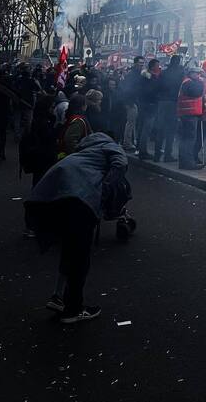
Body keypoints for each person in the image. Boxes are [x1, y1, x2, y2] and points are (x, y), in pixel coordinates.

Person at [24, 132, 128, 324]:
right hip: (80, 198)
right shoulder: (110, 146)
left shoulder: (83, 151)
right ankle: (73, 309)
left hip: (50, 197)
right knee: (79, 255)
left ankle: (60, 297)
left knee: (69, 248)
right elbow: (121, 164)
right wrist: (104, 191)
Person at [19, 94, 59, 187]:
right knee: (42, 179)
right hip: (43, 156)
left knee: (39, 178)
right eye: (52, 106)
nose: (53, 108)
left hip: (39, 156)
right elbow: (48, 137)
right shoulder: (43, 122)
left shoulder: (38, 119)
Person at [176, 63, 206, 170]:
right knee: (189, 139)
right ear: (191, 73)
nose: (199, 76)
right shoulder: (189, 83)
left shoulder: (187, 82)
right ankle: (188, 163)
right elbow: (197, 92)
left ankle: (183, 161)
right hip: (189, 114)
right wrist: (202, 83)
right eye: (197, 73)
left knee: (185, 139)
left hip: (187, 114)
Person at [156, 55, 184, 163]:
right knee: (171, 130)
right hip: (173, 103)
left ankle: (157, 155)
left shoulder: (163, 73)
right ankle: (168, 155)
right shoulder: (180, 74)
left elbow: (158, 87)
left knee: (161, 129)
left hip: (162, 102)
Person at [58, 94, 91, 159]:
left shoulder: (70, 116)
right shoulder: (78, 120)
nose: (86, 106)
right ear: (81, 106)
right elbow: (70, 140)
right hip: (71, 157)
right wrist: (77, 156)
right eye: (85, 104)